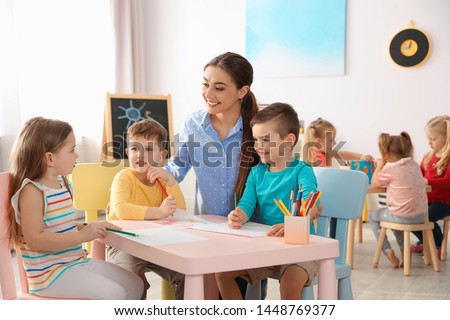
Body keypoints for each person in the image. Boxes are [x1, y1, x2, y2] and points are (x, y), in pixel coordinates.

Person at [8, 117, 143, 299]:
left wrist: (91, 228)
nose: (76, 155)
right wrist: (82, 235)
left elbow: (64, 226)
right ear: (50, 158)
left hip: (76, 262)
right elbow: (35, 240)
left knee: (135, 284)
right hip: (50, 276)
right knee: (114, 293)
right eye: (72, 150)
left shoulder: (62, 184)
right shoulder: (32, 192)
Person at [164, 52, 260, 298]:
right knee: (196, 294)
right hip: (206, 230)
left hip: (249, 232)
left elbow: (277, 175)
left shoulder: (257, 128)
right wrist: (140, 179)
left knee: (238, 295)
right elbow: (177, 167)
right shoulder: (193, 124)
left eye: (219, 88)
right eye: (205, 84)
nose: (208, 94)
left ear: (242, 91)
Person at [215, 103, 321, 300]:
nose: (258, 146)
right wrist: (239, 215)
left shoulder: (302, 170)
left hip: (301, 249)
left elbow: (309, 201)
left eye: (265, 140)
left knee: (289, 284)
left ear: (288, 141)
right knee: (221, 274)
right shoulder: (256, 173)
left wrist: (296, 222)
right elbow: (246, 204)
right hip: (267, 248)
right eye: (256, 140)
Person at [107, 118, 186, 299]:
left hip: (156, 243)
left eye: (149, 149)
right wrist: (159, 212)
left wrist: (171, 181)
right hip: (123, 244)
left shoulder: (162, 180)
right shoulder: (123, 177)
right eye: (135, 149)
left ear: (162, 155)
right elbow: (121, 210)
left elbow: (180, 212)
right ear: (127, 152)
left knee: (187, 273)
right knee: (131, 280)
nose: (140, 155)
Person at [369, 132, 427, 268]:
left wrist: (379, 164)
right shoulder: (413, 164)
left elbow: (375, 183)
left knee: (373, 215)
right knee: (395, 216)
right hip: (421, 216)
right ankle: (405, 252)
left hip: (401, 216)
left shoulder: (390, 168)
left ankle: (387, 251)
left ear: (387, 153)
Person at [411, 115, 450, 255]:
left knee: (426, 216)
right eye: (428, 139)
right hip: (428, 199)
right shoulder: (428, 156)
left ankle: (437, 244)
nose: (429, 142)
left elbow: (447, 181)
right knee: (410, 216)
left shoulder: (448, 157)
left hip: (445, 202)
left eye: (433, 139)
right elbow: (419, 173)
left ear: (446, 137)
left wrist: (427, 181)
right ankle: (425, 242)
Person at [303, 118, 374, 167]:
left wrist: (361, 156)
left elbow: (343, 154)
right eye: (331, 140)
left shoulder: (325, 154)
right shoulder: (311, 158)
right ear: (318, 142)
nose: (335, 143)